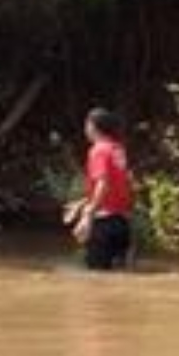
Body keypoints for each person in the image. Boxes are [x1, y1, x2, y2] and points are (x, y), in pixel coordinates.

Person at [64, 108, 134, 271]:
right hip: (122, 224)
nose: (85, 129)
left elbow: (103, 184)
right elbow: (121, 184)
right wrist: (81, 203)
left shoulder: (99, 150)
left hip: (103, 225)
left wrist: (87, 216)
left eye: (86, 124)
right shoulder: (118, 149)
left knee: (97, 279)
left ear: (93, 127)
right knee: (119, 278)